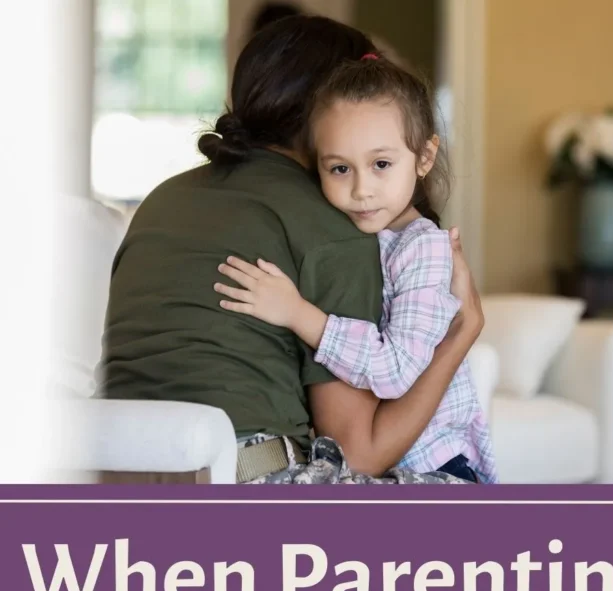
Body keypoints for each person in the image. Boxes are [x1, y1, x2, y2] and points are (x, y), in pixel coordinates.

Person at [100, 15, 484, 484]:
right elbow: (360, 455)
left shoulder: (163, 199)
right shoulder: (332, 227)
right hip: (246, 487)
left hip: (116, 481)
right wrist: (462, 332)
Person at [214, 55, 496, 483]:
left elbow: (396, 372)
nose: (361, 190)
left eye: (381, 164)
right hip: (392, 465)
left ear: (424, 157)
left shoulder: (423, 250)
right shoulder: (356, 237)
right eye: (340, 168)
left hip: (438, 468)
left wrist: (297, 314)